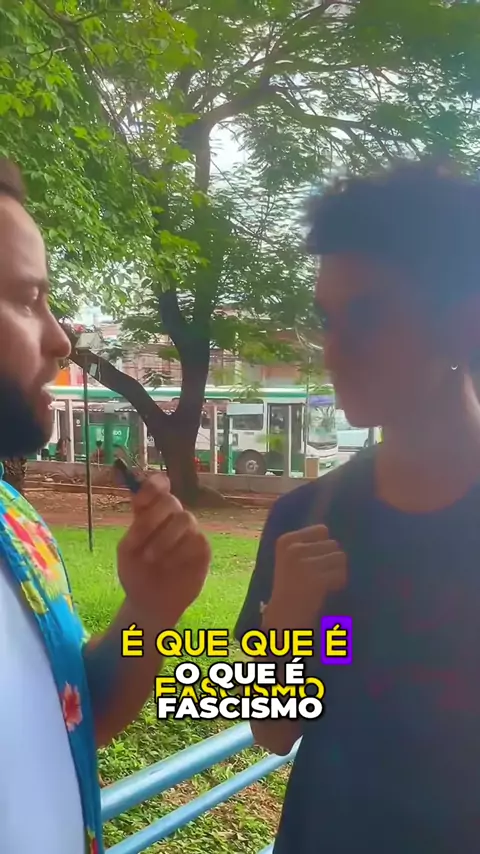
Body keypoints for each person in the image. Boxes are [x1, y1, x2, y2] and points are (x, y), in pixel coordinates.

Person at [235, 159, 480, 852]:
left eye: (368, 316)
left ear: (462, 325)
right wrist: (288, 619)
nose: (333, 354)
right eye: (327, 320)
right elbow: (270, 730)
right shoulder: (306, 520)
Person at [0, 158, 211, 853]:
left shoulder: (16, 527)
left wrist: (149, 610)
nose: (61, 339)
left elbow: (73, 718)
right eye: (27, 298)